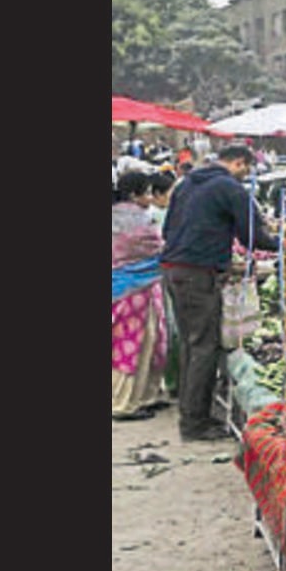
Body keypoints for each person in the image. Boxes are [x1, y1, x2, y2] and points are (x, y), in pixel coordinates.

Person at [160, 144, 282, 442]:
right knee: (205, 345)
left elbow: (166, 230)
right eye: (248, 170)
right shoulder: (231, 188)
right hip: (198, 273)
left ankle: (191, 410)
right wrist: (281, 243)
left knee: (192, 341)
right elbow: (251, 236)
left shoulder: (186, 183)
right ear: (240, 163)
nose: (246, 176)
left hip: (173, 270)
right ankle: (195, 424)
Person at [113, 171, 172, 420]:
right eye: (146, 192)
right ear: (133, 194)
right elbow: (154, 246)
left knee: (150, 341)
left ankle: (145, 396)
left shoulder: (132, 215)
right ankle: (122, 403)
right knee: (131, 345)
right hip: (130, 289)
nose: (151, 197)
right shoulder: (128, 218)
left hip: (142, 286)